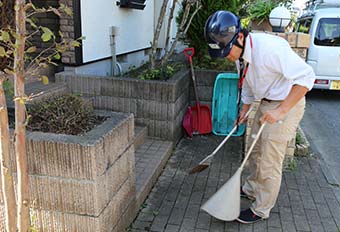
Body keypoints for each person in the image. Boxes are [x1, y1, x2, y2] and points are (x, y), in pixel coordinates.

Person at [204, 10, 315, 224]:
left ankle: (261, 208)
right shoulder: (240, 53)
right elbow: (246, 81)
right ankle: (252, 188)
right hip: (266, 103)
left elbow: (306, 78)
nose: (227, 57)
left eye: (227, 52)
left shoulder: (270, 50)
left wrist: (281, 111)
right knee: (254, 150)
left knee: (269, 161)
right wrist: (244, 110)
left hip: (286, 104)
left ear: (240, 37)